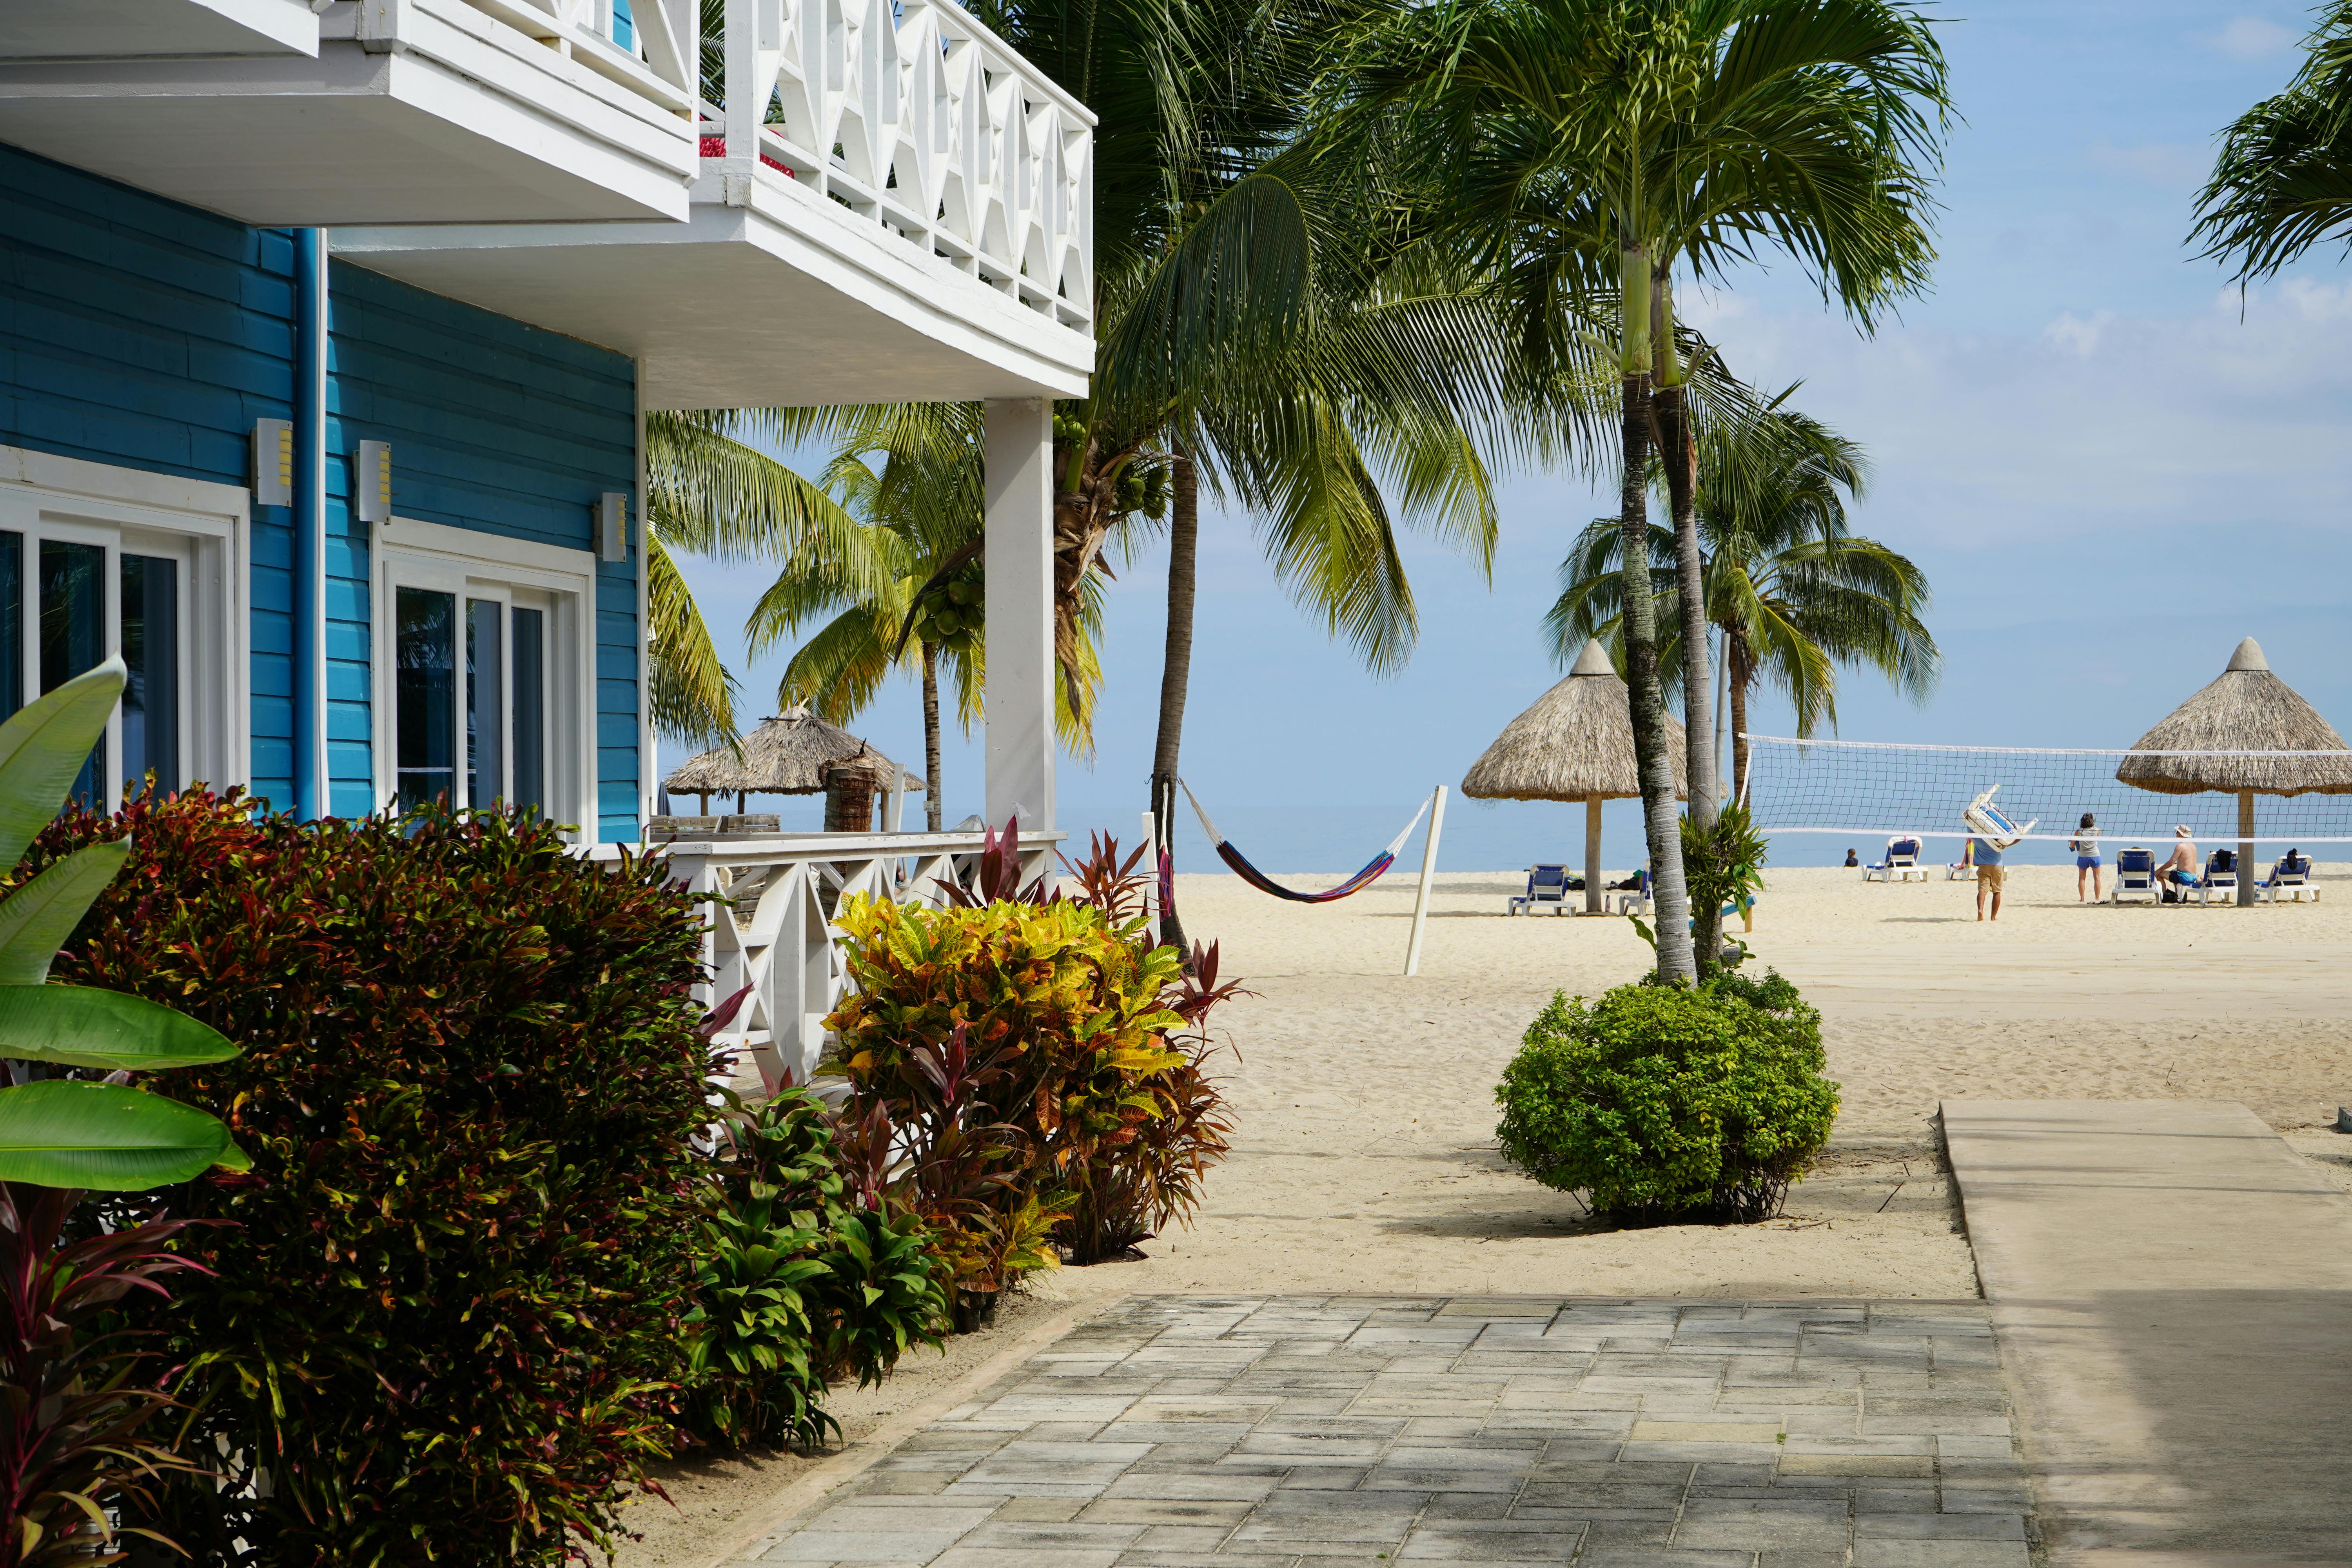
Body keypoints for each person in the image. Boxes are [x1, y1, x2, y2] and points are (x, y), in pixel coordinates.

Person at [1968, 831, 2005, 921]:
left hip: (1983, 865)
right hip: (1997, 865)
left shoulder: (1976, 837)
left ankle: (1980, 910)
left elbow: (1970, 825)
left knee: (1982, 891)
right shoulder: (1996, 838)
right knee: (1997, 892)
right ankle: (1993, 917)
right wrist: (2019, 838)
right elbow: (2008, 842)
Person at [2158, 825, 2199, 895]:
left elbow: (2171, 862)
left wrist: (2159, 870)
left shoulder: (2180, 846)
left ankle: (2165, 895)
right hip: (2194, 876)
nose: (2176, 833)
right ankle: (2178, 895)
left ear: (2181, 834)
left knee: (2159, 874)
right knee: (2174, 872)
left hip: (2184, 877)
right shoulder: (2193, 846)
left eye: (2177, 832)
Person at [2071, 813, 2102, 903]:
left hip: (2083, 856)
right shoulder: (2097, 830)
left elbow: (2072, 845)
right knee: (2097, 878)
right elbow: (2095, 829)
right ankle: (2097, 899)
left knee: (2082, 878)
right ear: (2092, 821)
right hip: (2095, 856)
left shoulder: (2079, 831)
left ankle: (2082, 899)